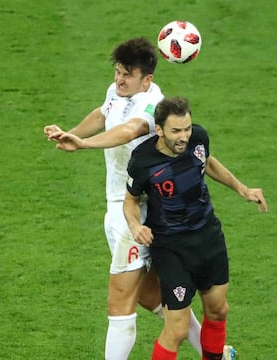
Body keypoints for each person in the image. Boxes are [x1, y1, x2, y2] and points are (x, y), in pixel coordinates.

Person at [43, 38, 202, 359]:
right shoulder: (117, 91)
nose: (120, 80)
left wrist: (85, 146)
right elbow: (104, 114)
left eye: (128, 75)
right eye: (118, 72)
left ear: (147, 79)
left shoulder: (153, 104)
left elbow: (129, 130)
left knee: (119, 300)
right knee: (149, 293)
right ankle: (215, 352)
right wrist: (72, 133)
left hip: (137, 212)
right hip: (116, 207)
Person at [123, 96, 268, 360]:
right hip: (172, 249)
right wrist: (135, 225)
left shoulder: (198, 138)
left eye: (187, 128)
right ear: (159, 130)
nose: (184, 136)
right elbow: (131, 201)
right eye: (176, 131)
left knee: (218, 310)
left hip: (208, 237)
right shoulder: (143, 161)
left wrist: (242, 189)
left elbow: (207, 161)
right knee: (177, 330)